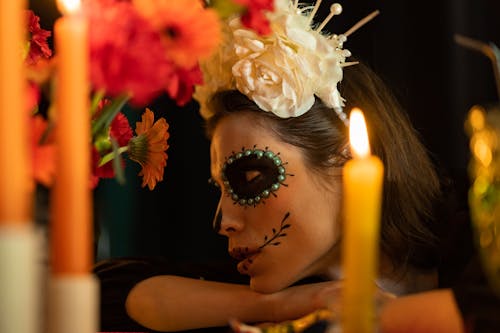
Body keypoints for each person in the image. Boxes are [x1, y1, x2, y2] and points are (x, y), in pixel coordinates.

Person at [94, 1, 453, 332]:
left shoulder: (474, 242)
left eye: (249, 178)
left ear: (345, 157)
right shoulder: (273, 301)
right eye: (219, 189)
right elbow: (105, 295)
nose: (223, 222)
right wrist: (286, 304)